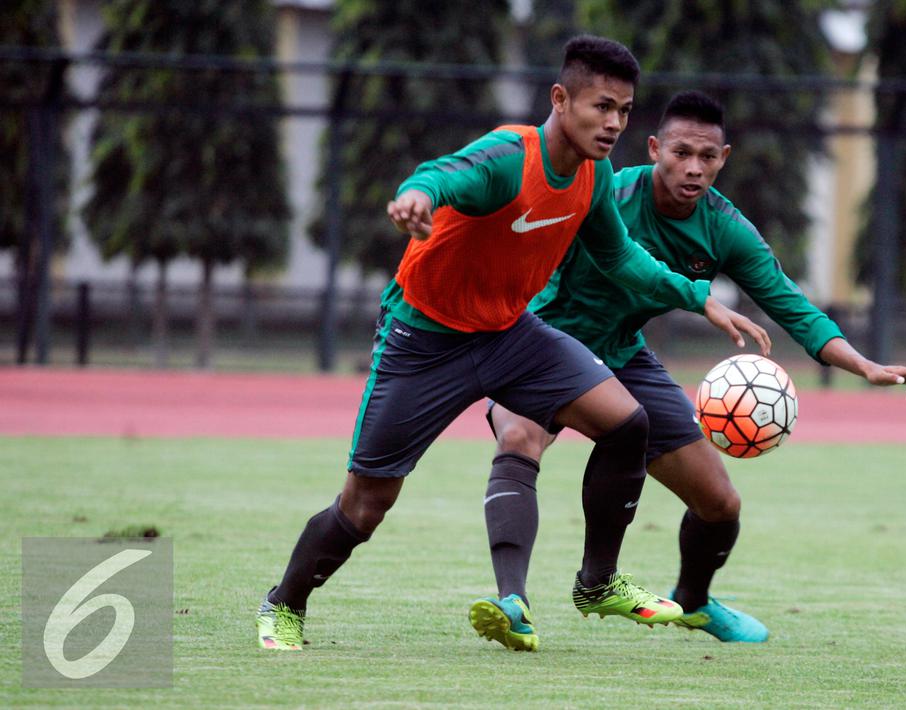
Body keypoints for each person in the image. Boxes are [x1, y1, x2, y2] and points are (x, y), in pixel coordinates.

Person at [255, 39, 770, 651]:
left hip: (508, 333)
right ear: (560, 99)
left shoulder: (592, 174)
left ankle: (598, 583)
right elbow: (446, 174)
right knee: (365, 505)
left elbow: (618, 255)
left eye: (624, 111)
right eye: (601, 106)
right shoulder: (509, 157)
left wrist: (696, 294)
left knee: (627, 422)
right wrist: (418, 195)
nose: (612, 124)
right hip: (424, 341)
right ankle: (284, 604)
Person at [474, 91, 906, 650]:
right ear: (655, 148)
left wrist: (865, 365)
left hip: (622, 353)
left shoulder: (723, 227)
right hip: (540, 341)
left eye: (707, 156)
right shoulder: (607, 191)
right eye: (681, 152)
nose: (693, 168)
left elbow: (790, 304)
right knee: (519, 436)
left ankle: (693, 603)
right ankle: (512, 602)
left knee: (720, 503)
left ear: (724, 157)